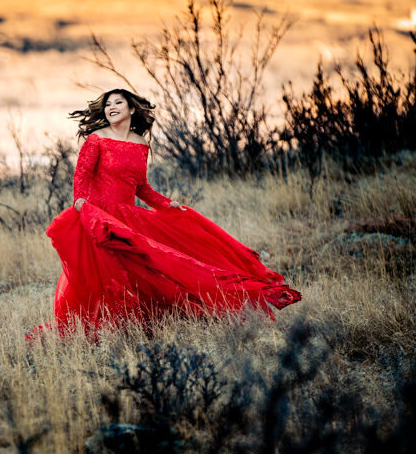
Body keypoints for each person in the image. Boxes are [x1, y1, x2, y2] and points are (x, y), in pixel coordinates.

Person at [38, 88, 300, 335]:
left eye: (117, 102)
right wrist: (81, 204)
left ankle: (141, 323)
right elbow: (81, 176)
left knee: (152, 269)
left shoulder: (140, 143)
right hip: (100, 218)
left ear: (131, 109)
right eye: (107, 104)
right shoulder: (97, 140)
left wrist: (165, 204)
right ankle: (103, 329)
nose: (111, 107)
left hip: (129, 217)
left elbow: (140, 186)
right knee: (108, 275)